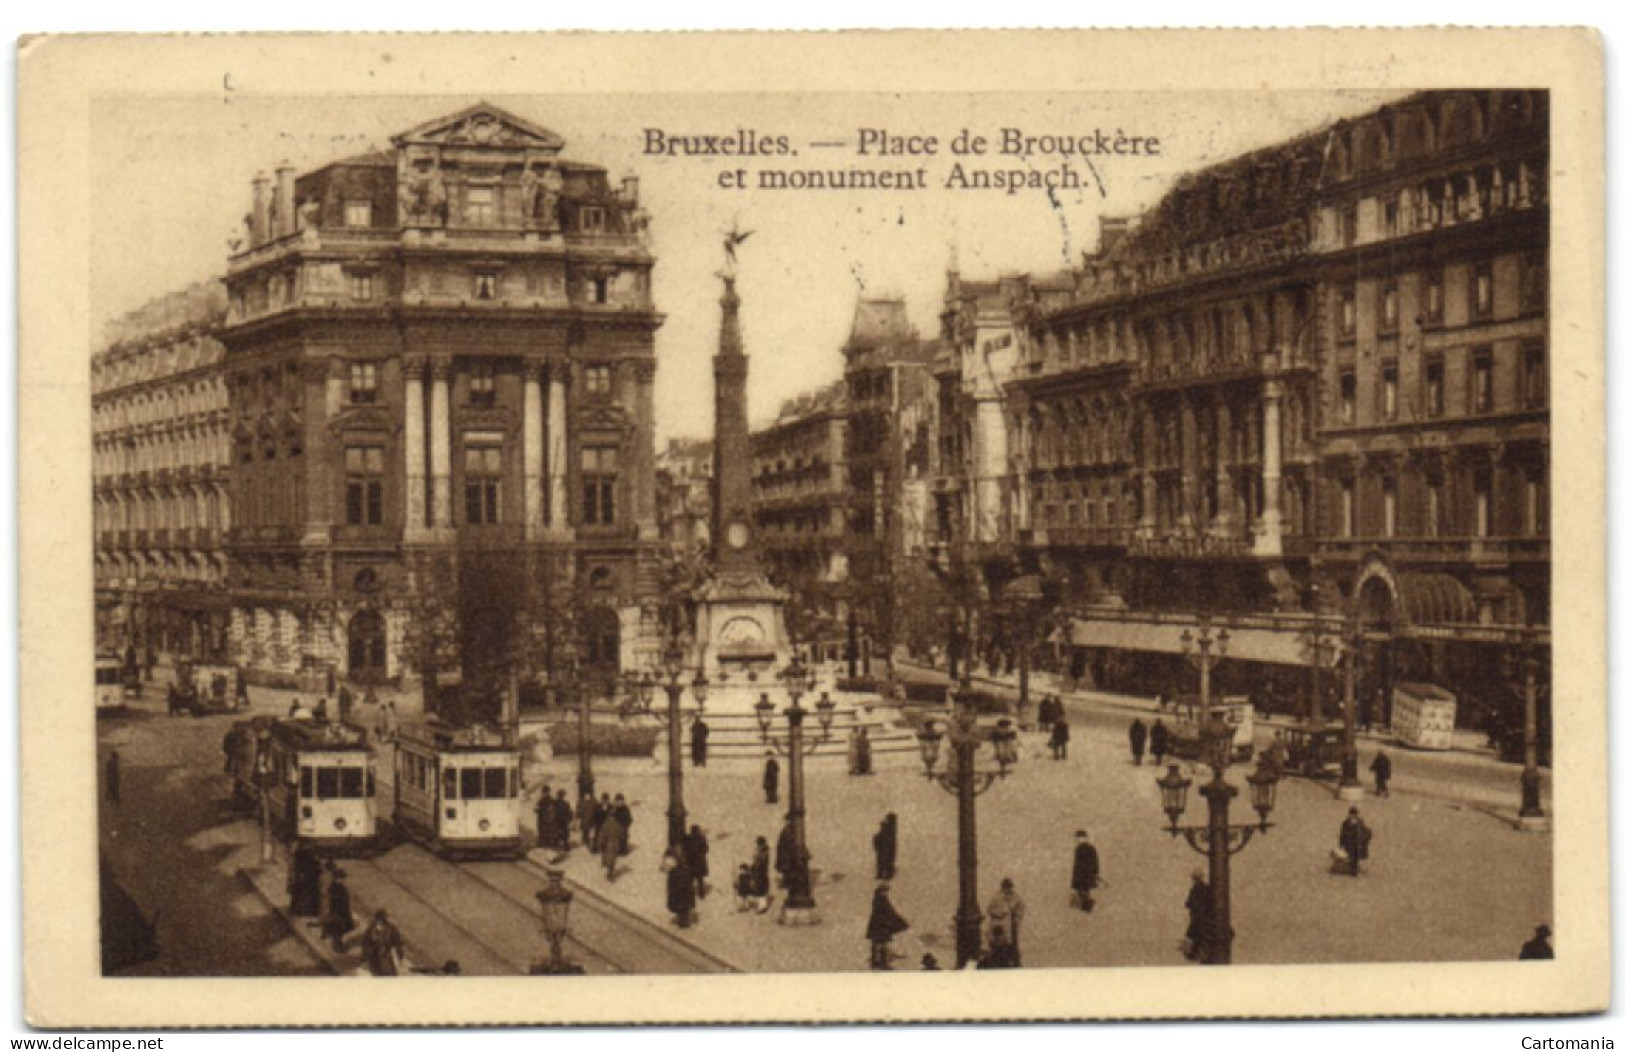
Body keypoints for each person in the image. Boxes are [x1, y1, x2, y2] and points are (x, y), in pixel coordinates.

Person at [866, 884, 909, 970]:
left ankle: (876, 962)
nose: (886, 893)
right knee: (882, 944)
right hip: (881, 925)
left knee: (877, 944)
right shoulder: (882, 900)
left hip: (876, 925)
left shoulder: (877, 900)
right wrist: (900, 921)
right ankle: (882, 963)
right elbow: (890, 912)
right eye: (885, 891)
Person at [985, 878, 1027, 967]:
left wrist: (1017, 916)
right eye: (1006, 888)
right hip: (999, 924)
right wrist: (999, 914)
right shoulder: (996, 898)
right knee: (1000, 942)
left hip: (1012, 925)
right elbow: (990, 909)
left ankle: (1013, 960)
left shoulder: (1015, 897)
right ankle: (1000, 959)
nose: (1008, 890)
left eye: (1009, 887)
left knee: (1012, 943)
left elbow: (1021, 907)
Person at [360, 908, 405, 976]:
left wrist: (399, 955)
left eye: (382, 920)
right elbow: (365, 946)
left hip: (386, 962)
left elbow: (397, 943)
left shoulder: (391, 929)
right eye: (379, 920)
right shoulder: (370, 931)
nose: (380, 922)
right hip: (376, 961)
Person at [321, 867, 355, 954]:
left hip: (342, 912)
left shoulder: (340, 887)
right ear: (336, 878)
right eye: (341, 878)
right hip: (337, 913)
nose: (343, 880)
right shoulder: (334, 888)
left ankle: (336, 943)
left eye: (343, 878)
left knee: (339, 931)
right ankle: (337, 947)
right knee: (337, 931)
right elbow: (332, 902)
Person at [1183, 869, 1215, 964]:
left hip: (1197, 920)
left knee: (1196, 938)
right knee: (1202, 940)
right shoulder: (1208, 888)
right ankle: (1203, 954)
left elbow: (1188, 904)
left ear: (1194, 878)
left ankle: (1196, 954)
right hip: (1207, 920)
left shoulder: (1195, 889)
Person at [287, 841, 323, 917]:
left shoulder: (300, 852)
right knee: (304, 893)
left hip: (305, 876)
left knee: (302, 893)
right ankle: (303, 910)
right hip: (306, 876)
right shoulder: (302, 852)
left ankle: (300, 910)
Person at [665, 849, 697, 928]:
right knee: (683, 910)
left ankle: (683, 924)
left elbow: (671, 886)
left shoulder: (673, 872)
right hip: (684, 897)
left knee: (681, 910)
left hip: (679, 897)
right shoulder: (686, 870)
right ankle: (684, 924)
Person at [1071, 830, 1101, 912]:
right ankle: (1087, 908)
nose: (1078, 840)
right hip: (1089, 876)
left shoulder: (1079, 850)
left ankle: (1087, 909)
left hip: (1081, 876)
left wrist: (1074, 883)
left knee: (1082, 894)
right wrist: (1095, 875)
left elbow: (1077, 866)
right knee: (1085, 893)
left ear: (1084, 838)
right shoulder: (1092, 849)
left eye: (1079, 838)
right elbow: (1095, 864)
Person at [1338, 807, 1372, 877]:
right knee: (1352, 856)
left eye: (1354, 814)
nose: (1353, 816)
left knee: (1355, 857)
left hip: (1357, 843)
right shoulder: (1346, 822)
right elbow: (1343, 834)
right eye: (1352, 814)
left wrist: (1365, 838)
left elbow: (1364, 831)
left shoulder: (1359, 822)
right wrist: (1341, 844)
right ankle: (1353, 869)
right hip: (1349, 843)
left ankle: (1354, 869)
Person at [598, 807, 627, 881]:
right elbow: (622, 834)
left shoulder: (606, 824)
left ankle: (609, 872)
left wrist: (600, 842)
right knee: (613, 859)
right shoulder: (618, 824)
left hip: (607, 843)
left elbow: (602, 834)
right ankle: (610, 871)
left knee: (608, 858)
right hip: (615, 844)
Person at [683, 824, 710, 900]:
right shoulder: (701, 838)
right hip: (699, 863)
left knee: (691, 880)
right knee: (699, 880)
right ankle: (701, 895)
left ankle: (691, 896)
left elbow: (685, 848)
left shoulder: (688, 839)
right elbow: (706, 849)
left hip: (691, 863)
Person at [748, 837, 773, 914]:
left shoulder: (763, 853)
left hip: (760, 874)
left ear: (760, 844)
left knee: (760, 890)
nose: (756, 846)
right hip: (760, 874)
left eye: (757, 844)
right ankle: (761, 906)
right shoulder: (763, 852)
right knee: (760, 890)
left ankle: (762, 907)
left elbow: (759, 864)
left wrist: (754, 861)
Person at [872, 813, 898, 881]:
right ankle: (885, 873)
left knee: (884, 859)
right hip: (886, 846)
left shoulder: (890, 828)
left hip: (885, 846)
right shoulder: (891, 828)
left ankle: (883, 873)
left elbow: (883, 835)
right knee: (886, 859)